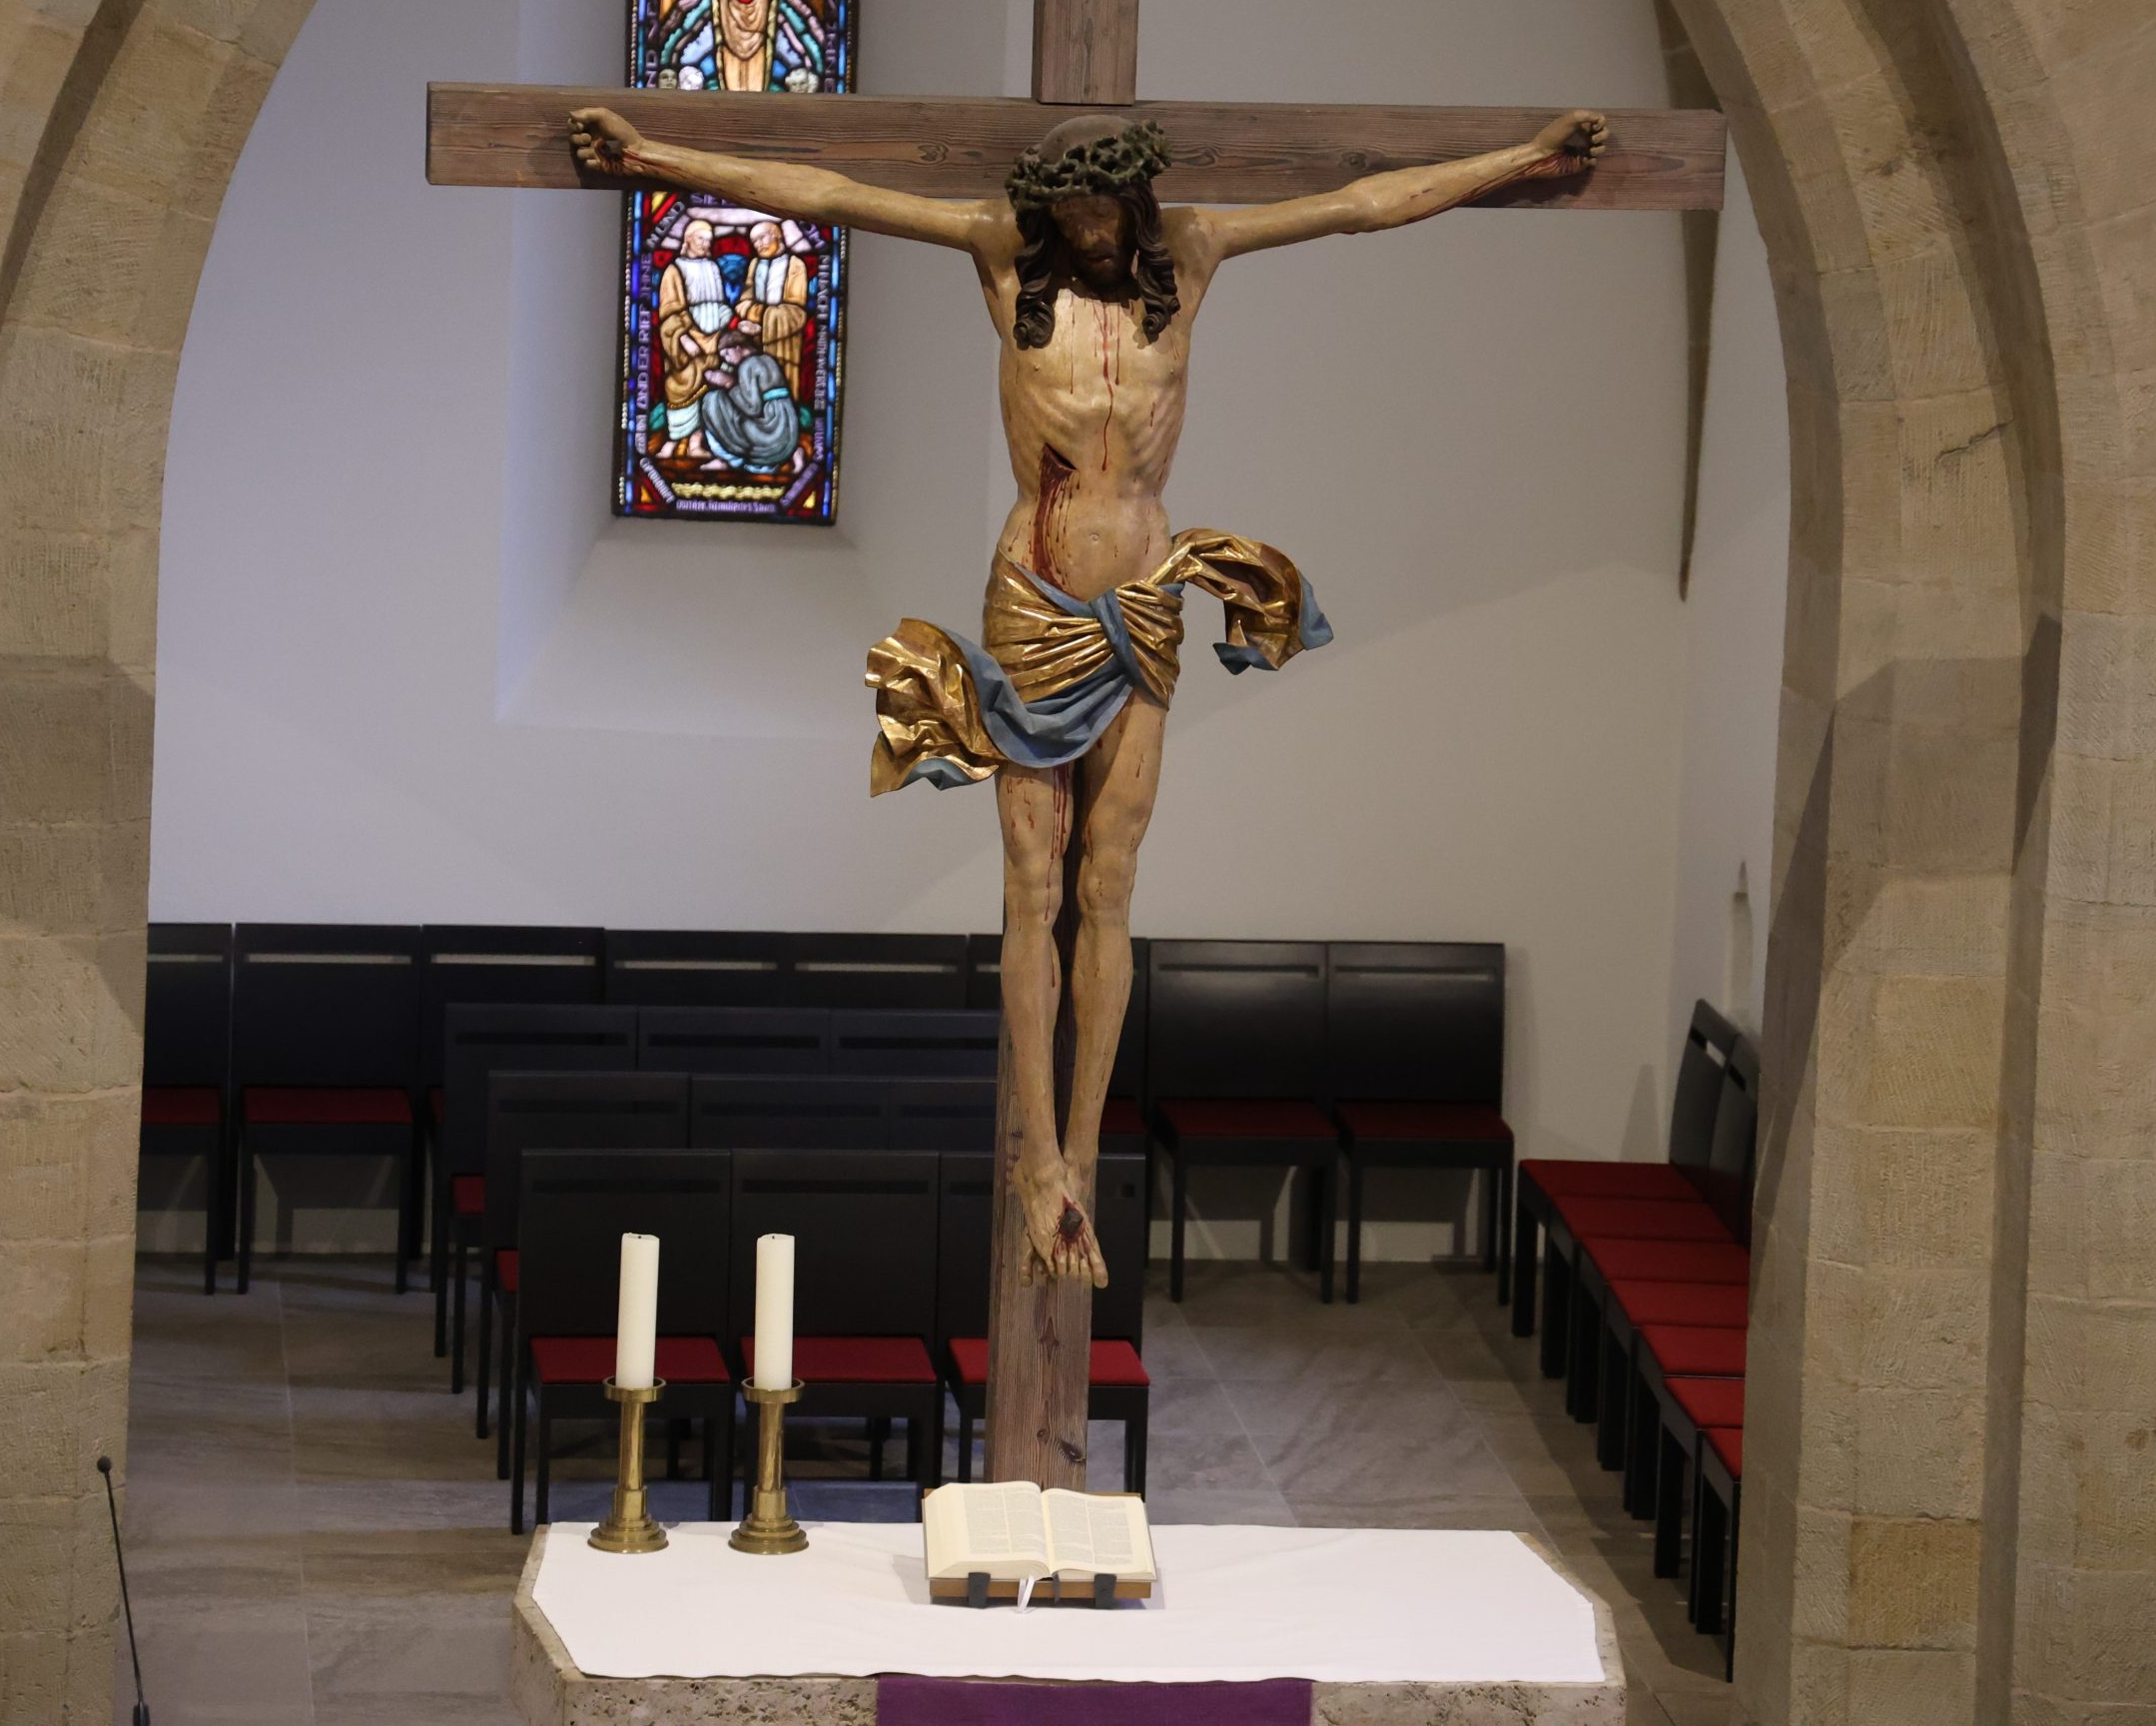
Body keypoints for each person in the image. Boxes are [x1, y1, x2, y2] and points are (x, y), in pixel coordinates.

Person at [573, 99, 1607, 1285]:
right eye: (1069, 213)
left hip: (1142, 610)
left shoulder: (1195, 252)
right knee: (1031, 882)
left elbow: (1360, 206)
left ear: (1134, 199)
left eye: (1105, 210)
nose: (1090, 231)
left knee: (1109, 884)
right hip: (1033, 600)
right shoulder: (1003, 256)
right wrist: (654, 156)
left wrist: (1525, 159)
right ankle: (1033, 1161)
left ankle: (1080, 1149)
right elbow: (831, 196)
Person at [653, 218, 734, 456]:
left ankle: (697, 443)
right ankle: (675, 439)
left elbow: (720, 304)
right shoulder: (674, 270)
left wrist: (723, 327)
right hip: (686, 340)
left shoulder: (712, 267)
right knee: (679, 386)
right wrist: (685, 338)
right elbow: (669, 312)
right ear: (688, 239)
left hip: (714, 337)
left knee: (711, 387)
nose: (705, 244)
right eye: (701, 238)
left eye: (709, 240)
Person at [699, 322, 803, 474]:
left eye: (727, 353)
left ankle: (729, 460)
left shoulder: (748, 365)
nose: (726, 359)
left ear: (738, 347)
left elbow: (752, 408)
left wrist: (728, 383)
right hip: (787, 430)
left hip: (771, 433)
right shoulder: (766, 359)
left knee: (712, 400)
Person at [737, 217, 811, 396]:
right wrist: (750, 321)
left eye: (762, 238)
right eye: (755, 241)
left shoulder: (795, 265)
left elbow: (795, 311)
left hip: (783, 342)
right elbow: (743, 301)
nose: (758, 244)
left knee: (782, 387)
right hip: (754, 341)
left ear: (777, 235)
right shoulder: (754, 264)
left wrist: (760, 320)